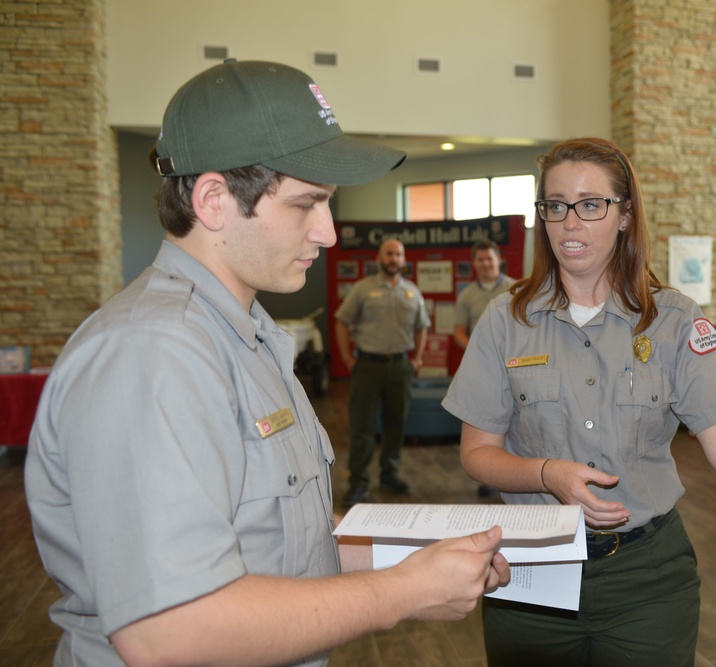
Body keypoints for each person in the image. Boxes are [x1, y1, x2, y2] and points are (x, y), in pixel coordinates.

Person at [25, 60, 508, 667]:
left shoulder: (247, 337)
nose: (329, 233)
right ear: (213, 200)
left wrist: (429, 551)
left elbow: (289, 542)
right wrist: (404, 591)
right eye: (306, 204)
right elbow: (168, 633)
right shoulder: (154, 354)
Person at [441, 137, 716, 667]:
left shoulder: (673, 321)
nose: (570, 222)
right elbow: (477, 452)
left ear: (625, 214)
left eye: (590, 204)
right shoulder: (505, 320)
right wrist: (546, 473)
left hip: (647, 577)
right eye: (555, 205)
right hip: (532, 570)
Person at [335, 238, 429, 505]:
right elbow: (342, 321)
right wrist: (346, 358)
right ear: (379, 258)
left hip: (400, 367)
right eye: (389, 253)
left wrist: (417, 360)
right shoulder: (362, 289)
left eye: (398, 254)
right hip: (367, 367)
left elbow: (423, 326)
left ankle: (390, 475)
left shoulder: (412, 292)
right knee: (362, 426)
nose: (393, 258)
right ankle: (358, 483)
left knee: (395, 425)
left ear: (403, 259)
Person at [453, 239, 516, 497]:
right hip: (483, 371)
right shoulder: (466, 296)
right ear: (474, 263)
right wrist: (481, 353)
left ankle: (513, 476)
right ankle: (490, 476)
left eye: (490, 258)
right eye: (481, 259)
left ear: (498, 259)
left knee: (515, 423)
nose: (486, 263)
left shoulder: (517, 289)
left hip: (514, 367)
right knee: (485, 422)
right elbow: (458, 332)